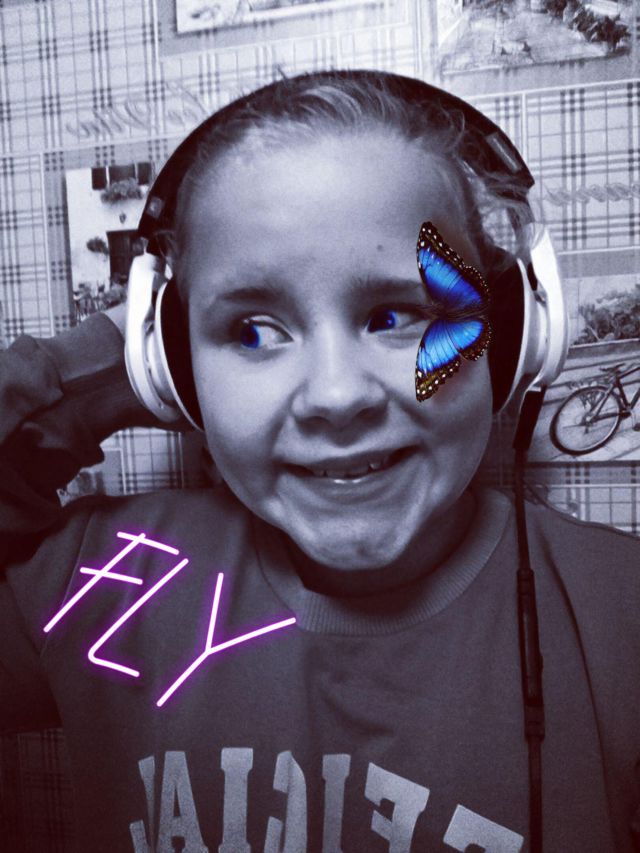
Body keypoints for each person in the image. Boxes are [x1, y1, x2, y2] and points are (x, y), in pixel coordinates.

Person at [1, 70, 639, 853]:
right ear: (173, 365)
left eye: (397, 315)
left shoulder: (622, 616)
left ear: (511, 335)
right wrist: (97, 369)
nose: (337, 396)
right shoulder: (100, 582)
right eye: (252, 331)